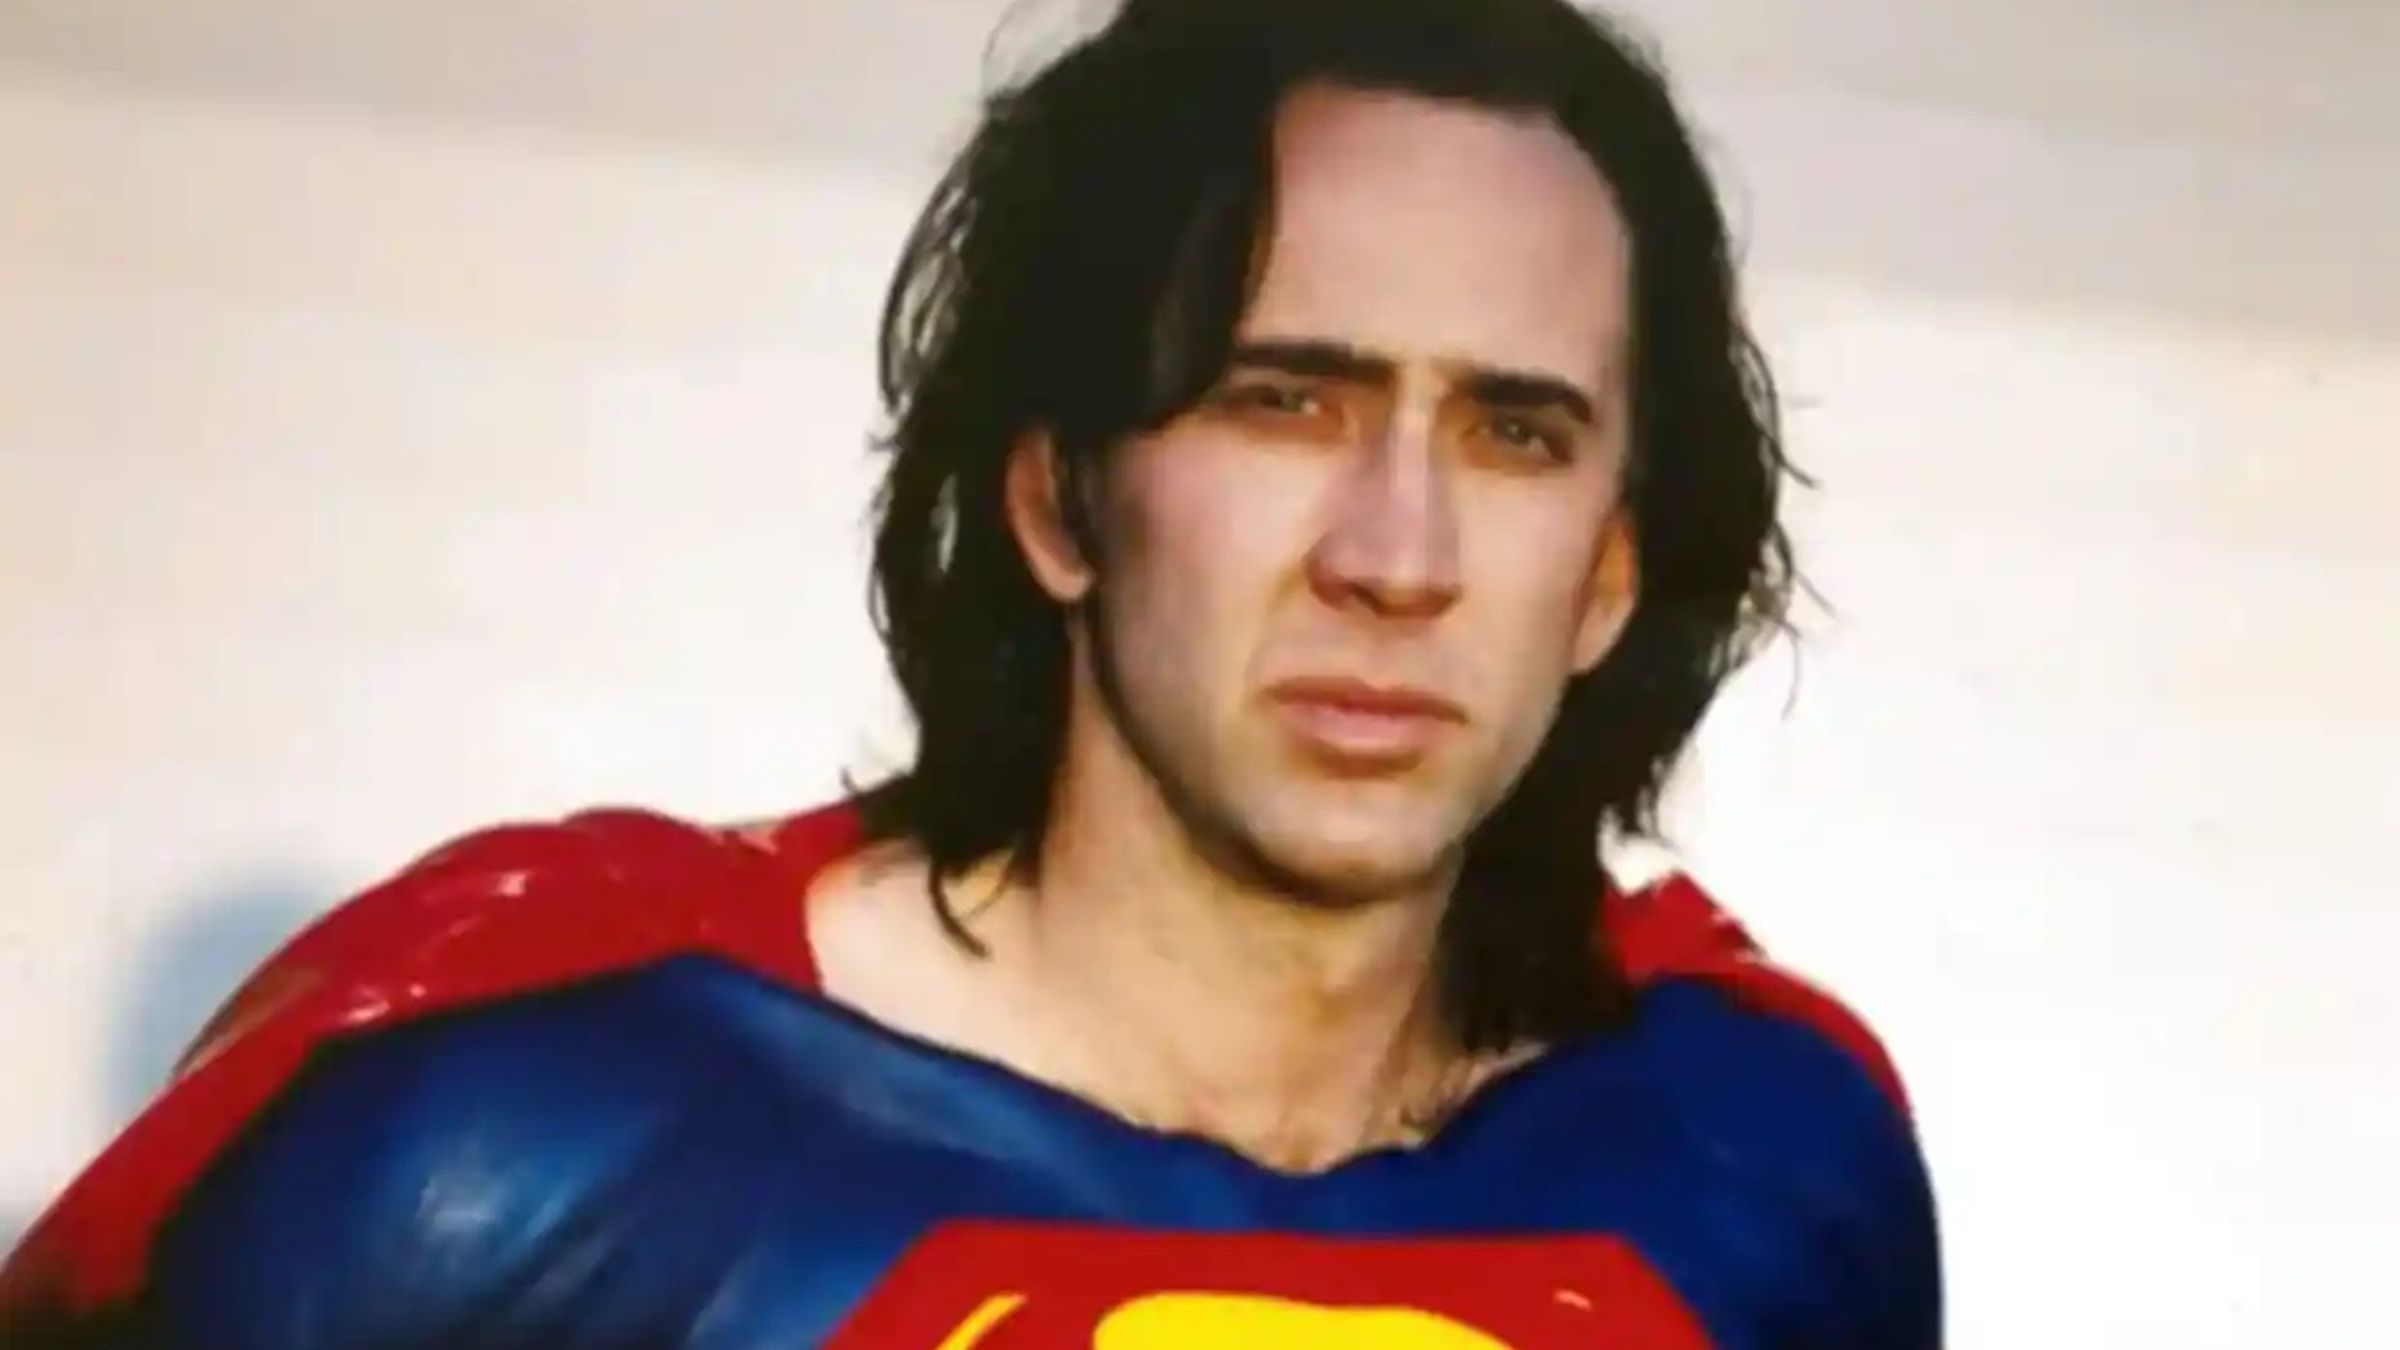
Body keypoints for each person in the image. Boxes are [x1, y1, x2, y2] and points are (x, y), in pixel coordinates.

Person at [0, 0, 1942, 1344]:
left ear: (1610, 573)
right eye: (1283, 401)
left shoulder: (1766, 1169)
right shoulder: (508, 1136)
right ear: (1058, 496)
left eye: (1514, 434)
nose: (1395, 555)